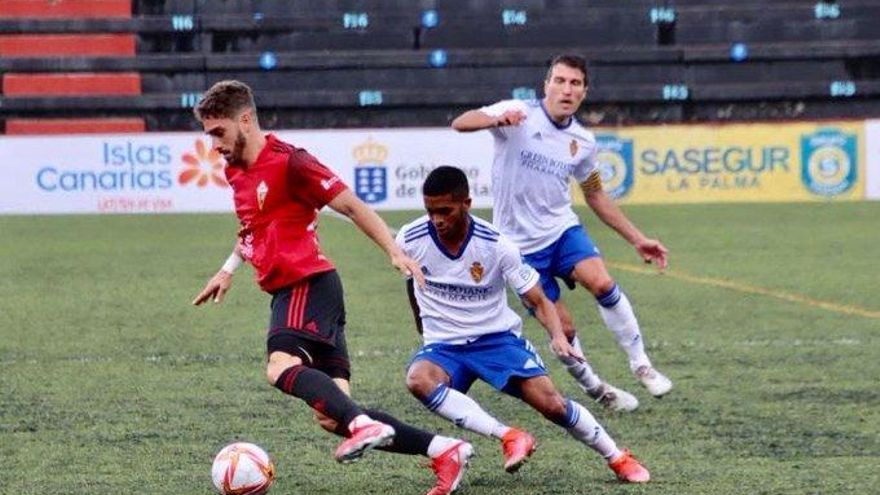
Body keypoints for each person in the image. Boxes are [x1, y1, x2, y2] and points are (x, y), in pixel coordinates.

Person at [191, 80, 472, 495]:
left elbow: (352, 206)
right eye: (209, 134)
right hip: (310, 293)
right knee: (332, 417)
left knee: (279, 366)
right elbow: (252, 226)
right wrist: (228, 268)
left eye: (219, 132)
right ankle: (445, 450)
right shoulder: (235, 170)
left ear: (245, 120)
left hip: (305, 284)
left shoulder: (292, 163)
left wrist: (394, 251)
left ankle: (364, 425)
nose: (214, 144)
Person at [398, 166, 650, 483]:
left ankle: (617, 457)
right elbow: (411, 281)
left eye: (445, 211)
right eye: (430, 211)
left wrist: (558, 336)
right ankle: (509, 436)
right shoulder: (410, 237)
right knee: (418, 379)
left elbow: (539, 299)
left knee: (553, 405)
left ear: (467, 203)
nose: (437, 220)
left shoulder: (496, 245)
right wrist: (422, 326)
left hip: (496, 341)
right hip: (445, 345)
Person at [450, 54, 672, 410]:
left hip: (560, 229)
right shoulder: (518, 112)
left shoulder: (583, 142)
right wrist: (494, 118)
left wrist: (637, 238)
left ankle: (641, 363)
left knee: (601, 282)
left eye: (575, 83)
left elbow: (595, 194)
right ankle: (597, 388)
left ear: (584, 92)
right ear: (547, 84)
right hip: (518, 248)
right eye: (560, 81)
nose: (566, 89)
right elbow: (461, 123)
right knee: (563, 330)